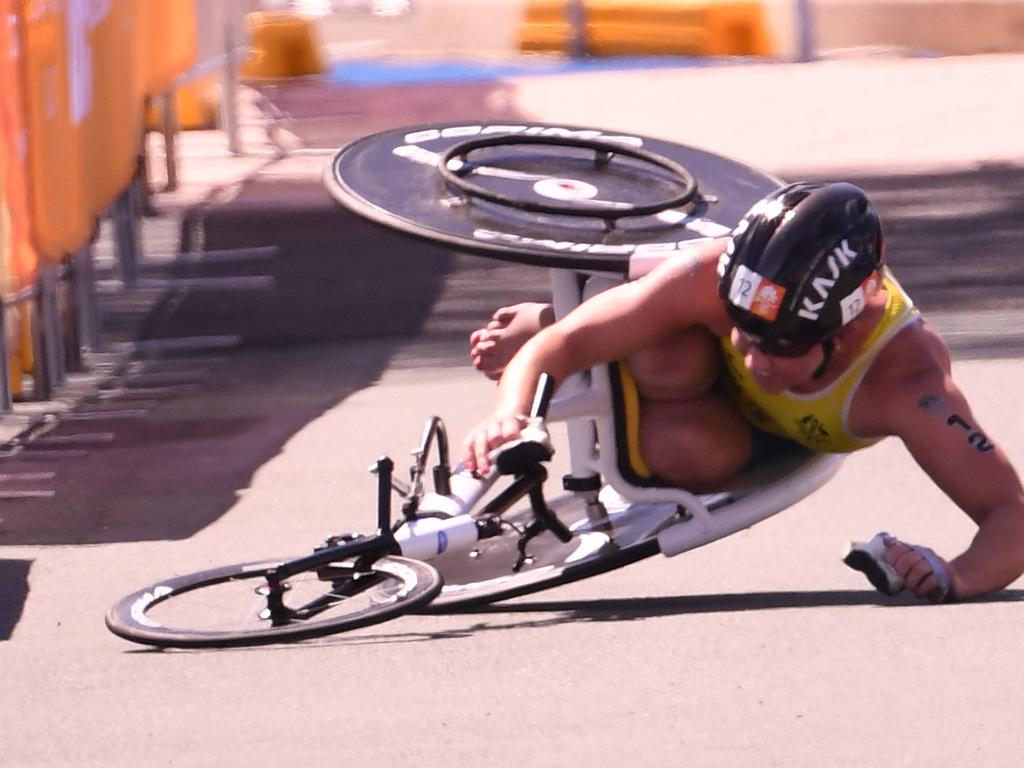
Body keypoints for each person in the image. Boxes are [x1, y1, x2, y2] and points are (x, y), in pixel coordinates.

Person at [463, 181, 1024, 603]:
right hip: (685, 362)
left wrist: (954, 575)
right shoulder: (715, 276)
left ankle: (615, 332)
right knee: (664, 353)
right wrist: (511, 414)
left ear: (846, 329)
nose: (756, 361)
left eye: (780, 345)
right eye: (744, 332)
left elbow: (1010, 514)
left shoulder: (909, 382)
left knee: (684, 452)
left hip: (751, 441)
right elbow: (564, 344)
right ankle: (567, 313)